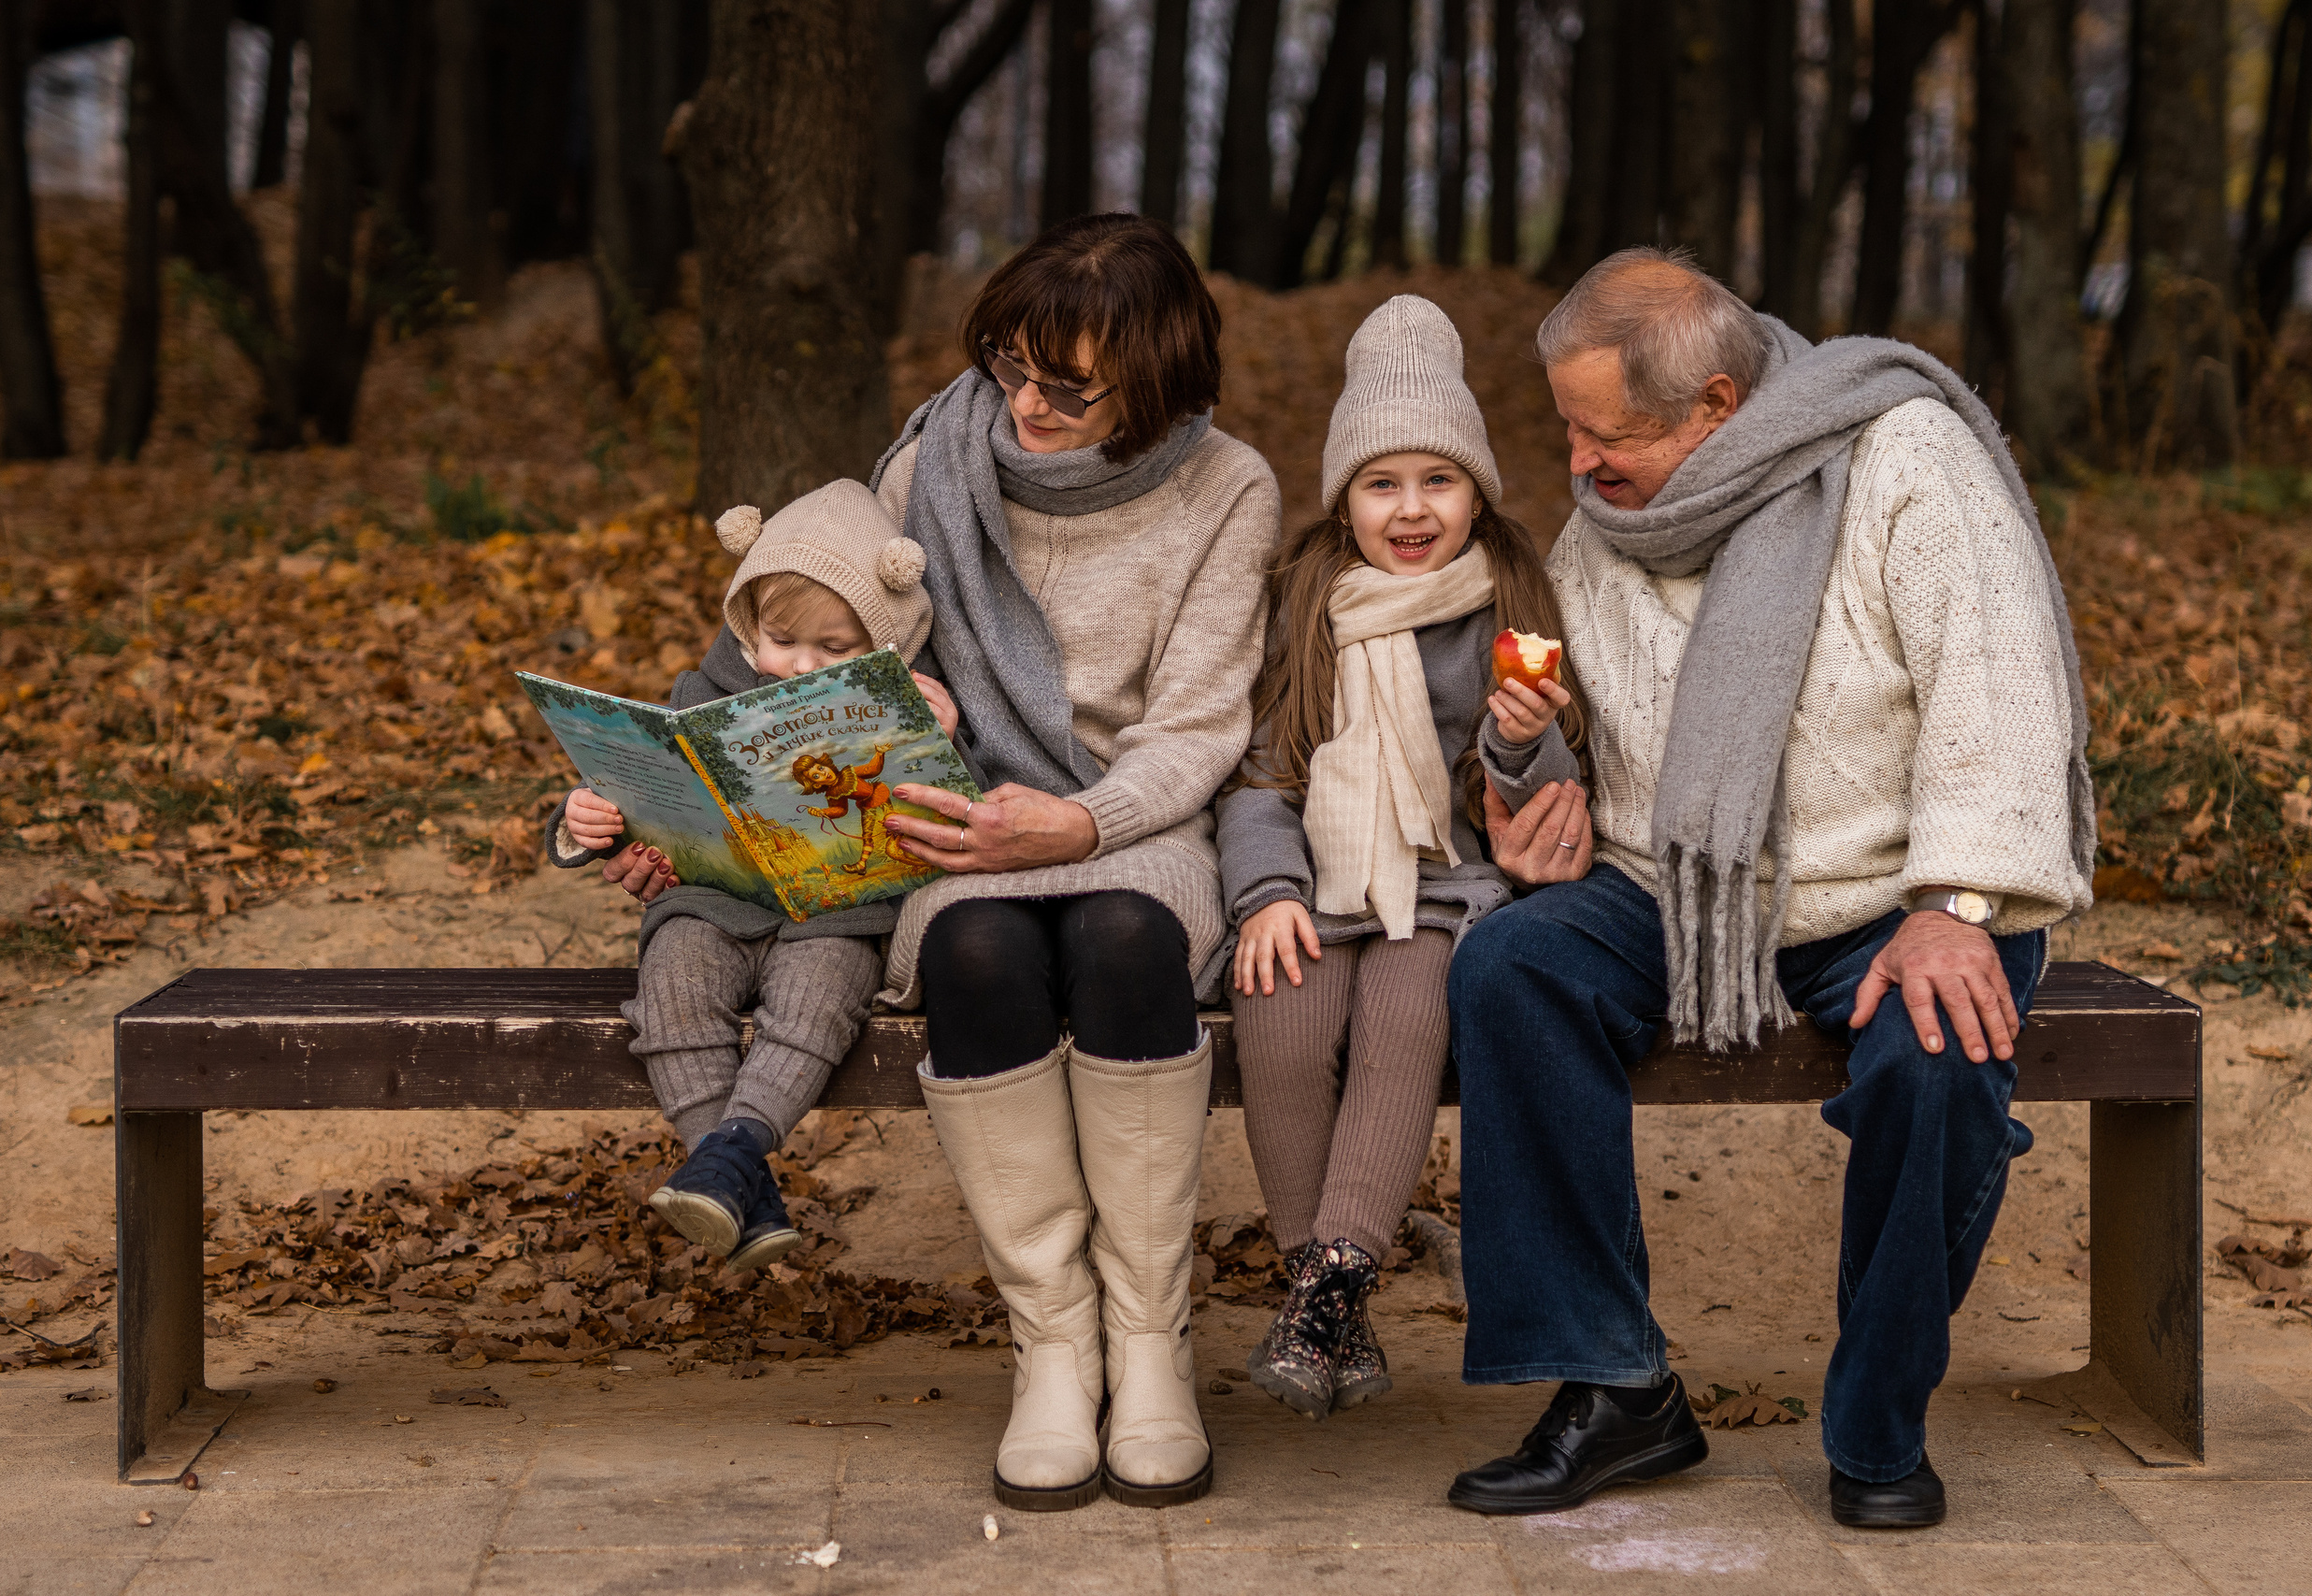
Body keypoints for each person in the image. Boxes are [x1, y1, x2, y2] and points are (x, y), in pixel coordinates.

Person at [1443, 248, 2095, 1529]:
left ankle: (1878, 1420)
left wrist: (1957, 907)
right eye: (1565, 425)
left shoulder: (1905, 458)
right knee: (1512, 966)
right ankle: (1615, 1387)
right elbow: (1593, 746)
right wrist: (1529, 788)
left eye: (1604, 432)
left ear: (1717, 406)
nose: (1575, 461)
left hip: (1899, 888)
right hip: (1679, 888)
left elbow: (2000, 688)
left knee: (1937, 1051)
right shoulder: (1610, 523)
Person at [866, 214, 1281, 1511]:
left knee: (1122, 938)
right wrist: (905, 711)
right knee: (979, 945)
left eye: (1067, 386)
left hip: (1143, 821)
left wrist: (1083, 824)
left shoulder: (1227, 487)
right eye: (1008, 364)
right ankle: (1052, 1340)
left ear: (1152, 384)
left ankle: (1150, 1338)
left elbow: (1200, 724)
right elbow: (849, 654)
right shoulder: (929, 467)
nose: (1025, 404)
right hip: (963, 820)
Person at [1214, 296, 1584, 1419]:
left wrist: (1522, 743)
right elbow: (1263, 777)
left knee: (1406, 1020)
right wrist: (1265, 896)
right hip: (1319, 882)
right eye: (1381, 484)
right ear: (1344, 499)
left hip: (1449, 887)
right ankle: (1325, 1302)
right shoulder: (1307, 602)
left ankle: (1330, 1288)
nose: (1412, 509)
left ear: (1477, 493)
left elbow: (1545, 798)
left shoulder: (1510, 599)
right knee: (1279, 1016)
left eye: (1439, 481)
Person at [544, 480, 955, 1272]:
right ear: (747, 621)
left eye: (837, 649)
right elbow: (647, 789)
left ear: (887, 638)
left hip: (835, 918)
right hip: (708, 904)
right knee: (672, 992)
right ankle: (736, 1179)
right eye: (781, 638)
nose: (800, 664)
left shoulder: (912, 705)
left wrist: (938, 743)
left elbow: (958, 815)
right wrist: (583, 819)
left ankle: (729, 1161)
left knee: (817, 1005)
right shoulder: (704, 691)